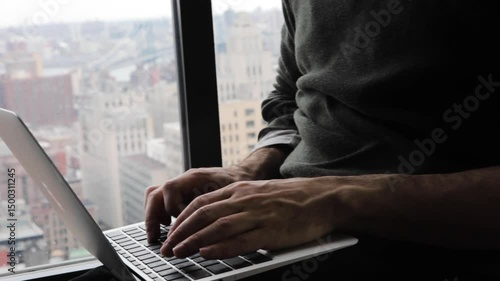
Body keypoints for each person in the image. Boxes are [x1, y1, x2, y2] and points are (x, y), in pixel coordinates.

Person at [73, 1, 500, 280]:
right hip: (288, 228)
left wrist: (331, 200)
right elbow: (289, 99)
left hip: (419, 248)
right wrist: (249, 170)